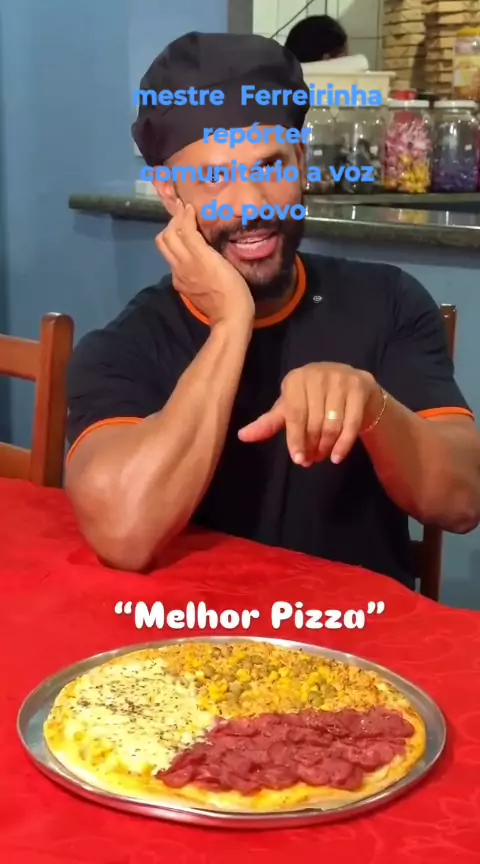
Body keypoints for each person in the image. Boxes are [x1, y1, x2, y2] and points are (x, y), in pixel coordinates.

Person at [65, 32, 480, 584]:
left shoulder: (389, 302)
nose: (252, 204)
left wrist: (373, 408)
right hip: (192, 629)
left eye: (269, 166)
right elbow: (124, 534)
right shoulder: (124, 346)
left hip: (357, 629)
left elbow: (464, 501)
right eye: (214, 177)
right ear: (170, 193)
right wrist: (231, 325)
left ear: (300, 161)